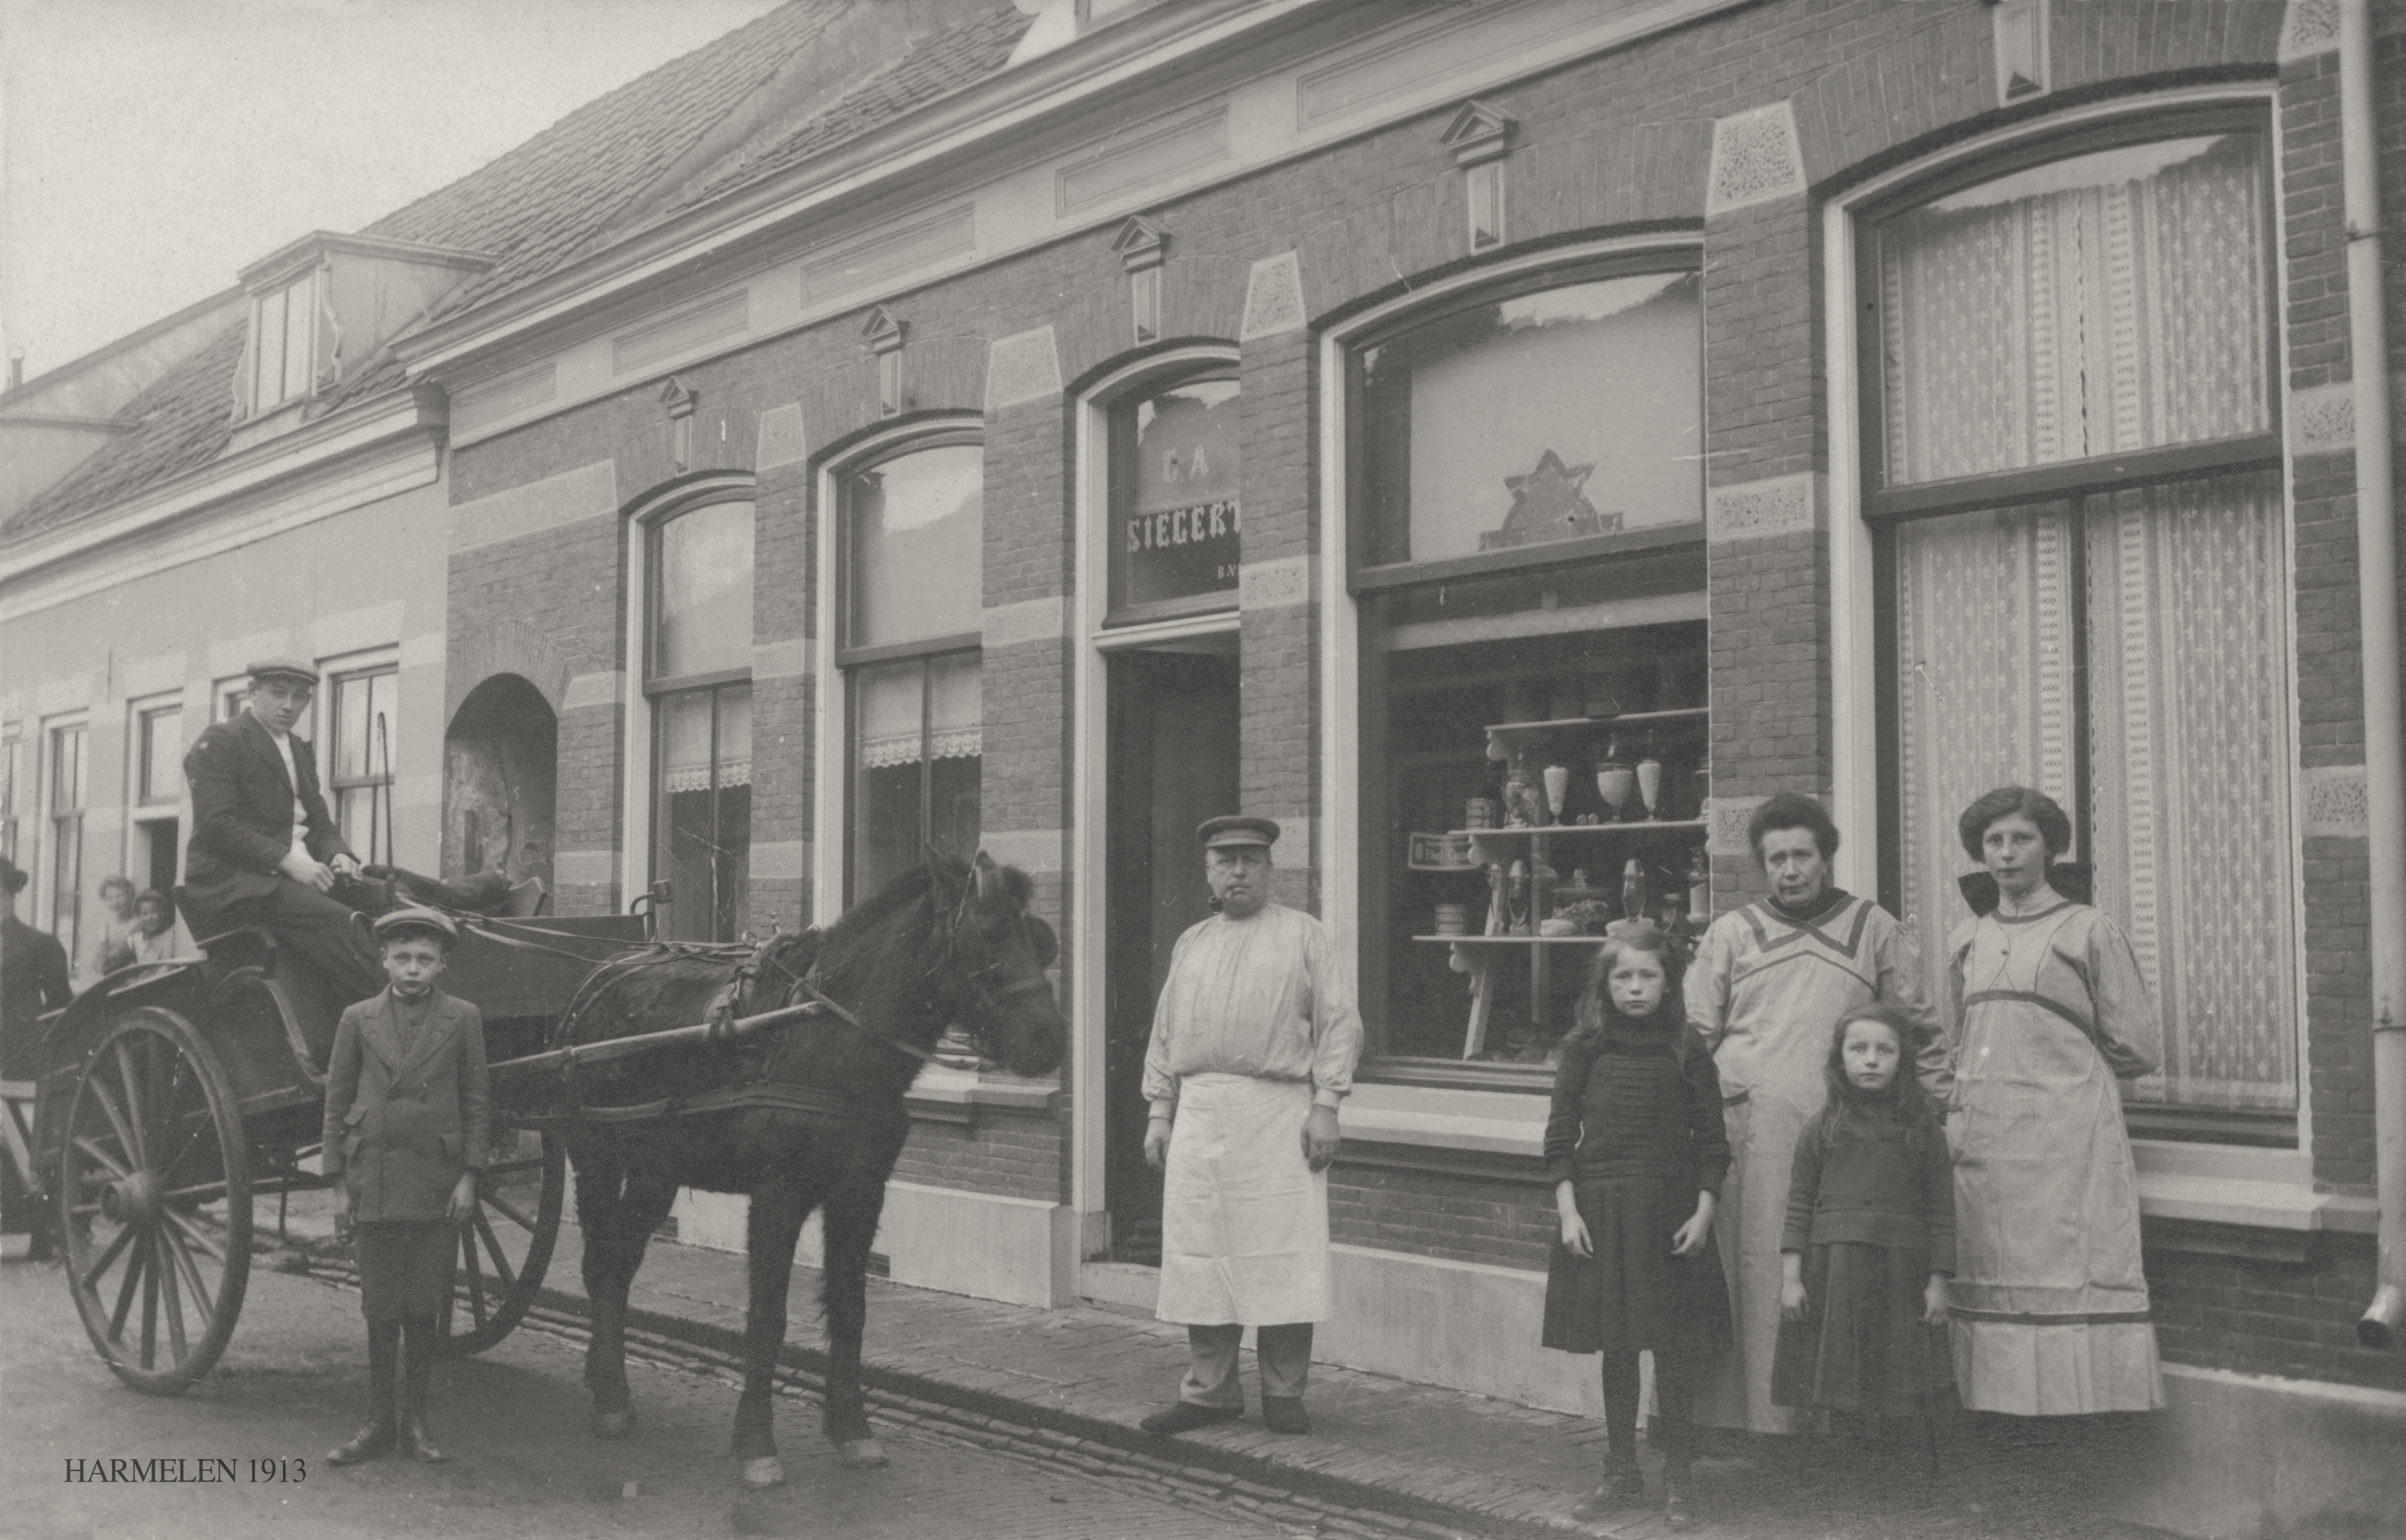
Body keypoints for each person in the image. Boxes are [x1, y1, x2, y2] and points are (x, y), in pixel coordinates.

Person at [1685, 792, 1946, 1437]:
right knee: (1755, 1277)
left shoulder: (1873, 928)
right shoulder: (1731, 933)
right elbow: (1692, 1040)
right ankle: (1749, 1428)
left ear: (1826, 857)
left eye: (1802, 854)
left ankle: (1832, 1438)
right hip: (1750, 1143)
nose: (1790, 869)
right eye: (1776, 858)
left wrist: (1938, 1119)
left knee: (1836, 1283)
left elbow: (1918, 1032)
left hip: (1849, 1149)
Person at [1137, 815, 1363, 1438]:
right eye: (1224, 861)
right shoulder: (1193, 942)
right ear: (1208, 870)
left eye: (1249, 860)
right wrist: (1160, 1112)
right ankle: (1208, 1393)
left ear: (1269, 869)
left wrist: (1326, 1105)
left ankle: (1283, 1393)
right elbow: (1166, 1033)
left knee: (1281, 1256)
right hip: (1201, 1113)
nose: (1236, 871)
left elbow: (1339, 1023)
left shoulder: (1303, 936)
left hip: (1277, 1112)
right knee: (1201, 1257)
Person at [1946, 786, 2162, 1416]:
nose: (2006, 855)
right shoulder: (1968, 939)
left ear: (2050, 847)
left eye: (2021, 839)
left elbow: (2138, 1049)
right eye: (1994, 842)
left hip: (2067, 1146)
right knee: (1990, 1279)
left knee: (2068, 1279)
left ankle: (2070, 1449)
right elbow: (1955, 1043)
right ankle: (2005, 1444)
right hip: (1986, 1145)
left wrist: (2057, 1073)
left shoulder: (2088, 929)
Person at [1542, 924, 1728, 1533]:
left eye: (1647, 975)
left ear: (1668, 983)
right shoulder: (1585, 1047)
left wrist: (1703, 1211)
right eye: (1622, 976)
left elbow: (1714, 1144)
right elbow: (1559, 1136)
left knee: (1673, 1351)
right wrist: (1569, 1210)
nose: (1634, 986)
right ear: (1606, 984)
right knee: (1617, 1350)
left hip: (1672, 1215)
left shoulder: (1686, 1047)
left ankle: (1678, 1477)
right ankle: (1620, 1471)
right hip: (1601, 1214)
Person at [321, 906, 490, 1465]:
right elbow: (337, 1100)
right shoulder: (358, 1018)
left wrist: (469, 1177)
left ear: (442, 965)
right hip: (375, 1177)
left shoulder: (463, 1018)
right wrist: (339, 1185)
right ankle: (376, 1422)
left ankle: (415, 1422)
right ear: (384, 960)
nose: (413, 969)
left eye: (424, 959)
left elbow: (475, 1102)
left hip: (435, 1182)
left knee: (423, 1306)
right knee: (380, 1306)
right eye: (402, 958)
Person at [1772, 1004, 1954, 1463]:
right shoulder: (1822, 1127)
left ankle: (1894, 1466)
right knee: (1842, 1369)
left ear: (1901, 1060)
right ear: (1840, 1059)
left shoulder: (1921, 1128)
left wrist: (1937, 1282)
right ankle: (1848, 1466)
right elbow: (1798, 1202)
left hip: (1900, 1268)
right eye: (1858, 1049)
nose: (1870, 1060)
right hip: (1835, 1267)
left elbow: (1940, 1209)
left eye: (1883, 1050)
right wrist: (1791, 1278)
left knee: (1897, 1369)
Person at [181, 659, 382, 1006]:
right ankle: (383, 1018)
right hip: (240, 884)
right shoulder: (221, 741)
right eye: (278, 693)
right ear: (252, 692)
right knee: (343, 923)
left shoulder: (299, 749)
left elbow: (320, 823)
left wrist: (339, 854)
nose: (289, 706)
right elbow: (218, 826)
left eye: (300, 697)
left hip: (293, 878)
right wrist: (287, 861)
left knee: (388, 893)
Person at [1, 856, 73, 1262]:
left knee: (29, 1149)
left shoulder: (39, 945)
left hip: (20, 1060)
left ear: (12, 894)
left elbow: (62, 1008)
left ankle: (44, 1232)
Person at [86, 875, 140, 978]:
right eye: (109, 899)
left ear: (131, 896)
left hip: (131, 975)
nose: (115, 902)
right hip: (110, 974)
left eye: (120, 896)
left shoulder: (138, 923)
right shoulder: (107, 922)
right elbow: (102, 951)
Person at [127, 890, 183, 964]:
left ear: (162, 913)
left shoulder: (172, 934)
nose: (149, 918)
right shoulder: (134, 939)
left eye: (154, 912)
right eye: (145, 914)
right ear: (139, 916)